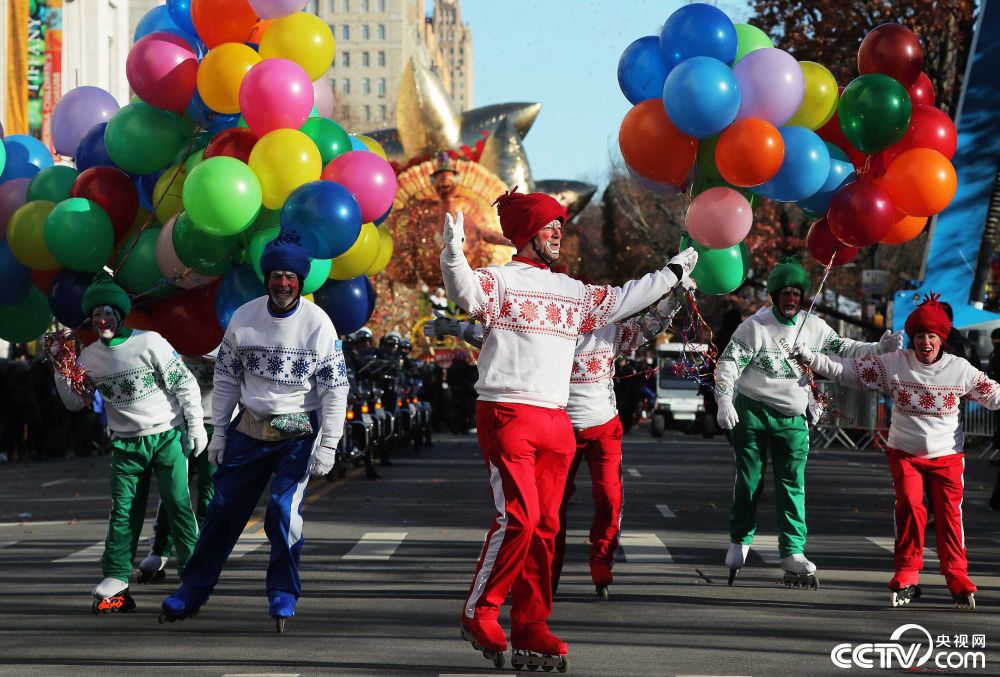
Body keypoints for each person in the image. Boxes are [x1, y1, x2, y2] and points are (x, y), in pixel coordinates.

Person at [441, 187, 696, 670]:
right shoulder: (501, 281)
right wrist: (453, 254)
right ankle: (480, 610)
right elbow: (466, 294)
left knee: (548, 526)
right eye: (548, 224)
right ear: (525, 234)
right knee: (517, 518)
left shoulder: (573, 293)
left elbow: (625, 299)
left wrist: (673, 273)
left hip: (557, 420)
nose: (558, 231)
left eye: (561, 224)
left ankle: (532, 624)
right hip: (508, 411)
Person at [159, 231, 349, 633]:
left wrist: (328, 443)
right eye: (276, 276)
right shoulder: (244, 317)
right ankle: (193, 587)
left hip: (296, 424)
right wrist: (221, 436)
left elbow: (335, 389)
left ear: (301, 281)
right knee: (222, 510)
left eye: (290, 277)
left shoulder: (318, 324)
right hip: (250, 423)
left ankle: (283, 590)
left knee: (282, 511)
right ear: (266, 279)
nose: (283, 284)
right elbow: (226, 378)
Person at [794, 293, 997, 609]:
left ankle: (957, 577)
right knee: (911, 507)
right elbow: (849, 371)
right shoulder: (894, 364)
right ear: (912, 339)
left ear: (942, 340)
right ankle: (907, 572)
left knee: (948, 515)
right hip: (904, 452)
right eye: (919, 336)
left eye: (931, 336)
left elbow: (993, 395)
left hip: (946, 456)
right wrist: (812, 358)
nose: (925, 343)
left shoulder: (960, 370)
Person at [714, 256, 902, 588]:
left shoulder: (813, 326)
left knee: (792, 485)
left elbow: (842, 347)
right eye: (785, 292)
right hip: (752, 412)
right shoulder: (754, 326)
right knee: (750, 480)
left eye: (796, 293)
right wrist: (725, 399)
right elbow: (729, 363)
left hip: (792, 418)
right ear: (774, 295)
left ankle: (792, 551)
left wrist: (878, 347)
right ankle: (740, 538)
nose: (791, 299)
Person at [51, 275, 206, 614]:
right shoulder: (90, 357)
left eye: (107, 312)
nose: (101, 321)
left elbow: (186, 385)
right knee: (122, 512)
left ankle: (195, 573)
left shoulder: (150, 342)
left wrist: (195, 425)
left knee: (178, 504)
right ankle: (117, 576)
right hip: (126, 445)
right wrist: (61, 369)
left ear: (120, 314)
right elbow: (75, 402)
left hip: (166, 435)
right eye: (95, 316)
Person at [137, 351, 219, 584]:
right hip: (179, 421)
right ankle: (160, 550)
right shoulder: (172, 336)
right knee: (173, 489)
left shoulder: (231, 328)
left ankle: (202, 552)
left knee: (209, 490)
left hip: (217, 423)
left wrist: (214, 356)